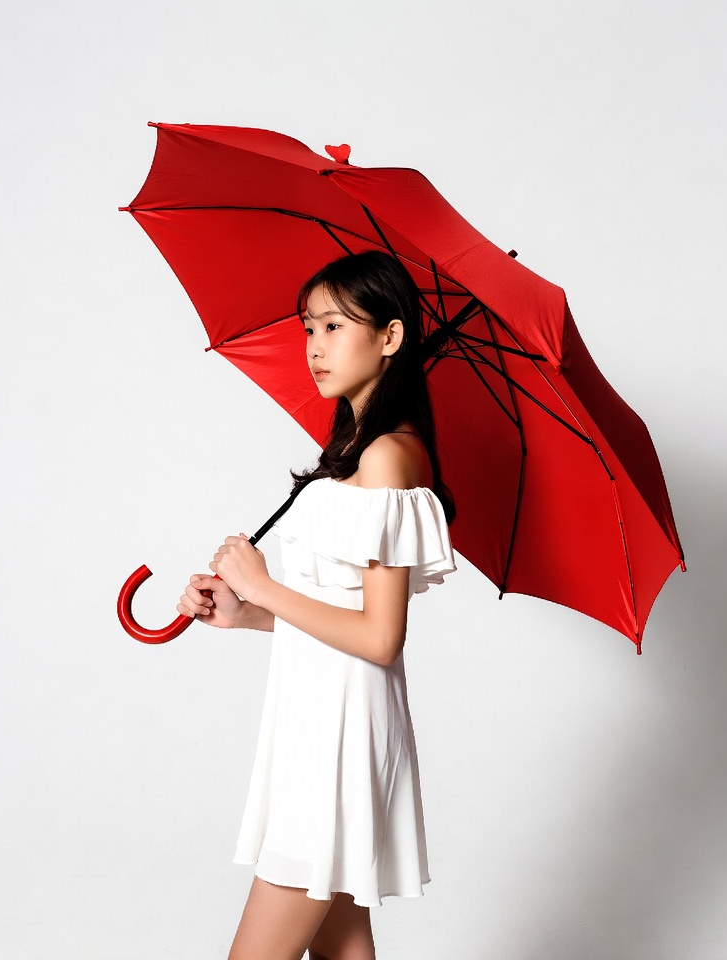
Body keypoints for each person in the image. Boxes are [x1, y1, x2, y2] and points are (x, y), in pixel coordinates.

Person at [178, 251, 456, 960]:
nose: (315, 347)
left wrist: (264, 583)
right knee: (342, 950)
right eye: (309, 328)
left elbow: (380, 637)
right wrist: (248, 613)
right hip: (315, 722)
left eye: (334, 326)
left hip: (338, 739)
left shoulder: (389, 458)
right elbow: (336, 615)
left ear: (391, 337)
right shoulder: (354, 454)